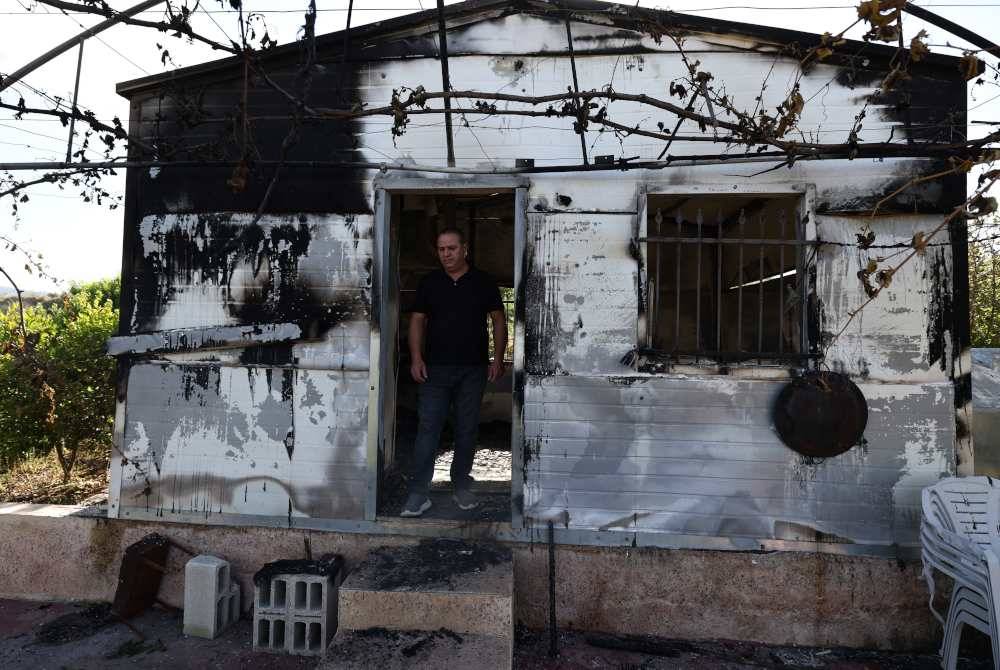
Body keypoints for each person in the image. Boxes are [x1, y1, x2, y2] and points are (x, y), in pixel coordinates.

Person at [400, 227, 507, 517]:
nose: (446, 254)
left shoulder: (483, 282)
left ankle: (461, 486)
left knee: (466, 429)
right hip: (434, 370)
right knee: (428, 429)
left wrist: (497, 358)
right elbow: (417, 321)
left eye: (451, 248)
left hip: (473, 370)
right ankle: (419, 493)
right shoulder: (430, 282)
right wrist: (416, 358)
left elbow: (499, 320)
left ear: (464, 250)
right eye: (441, 249)